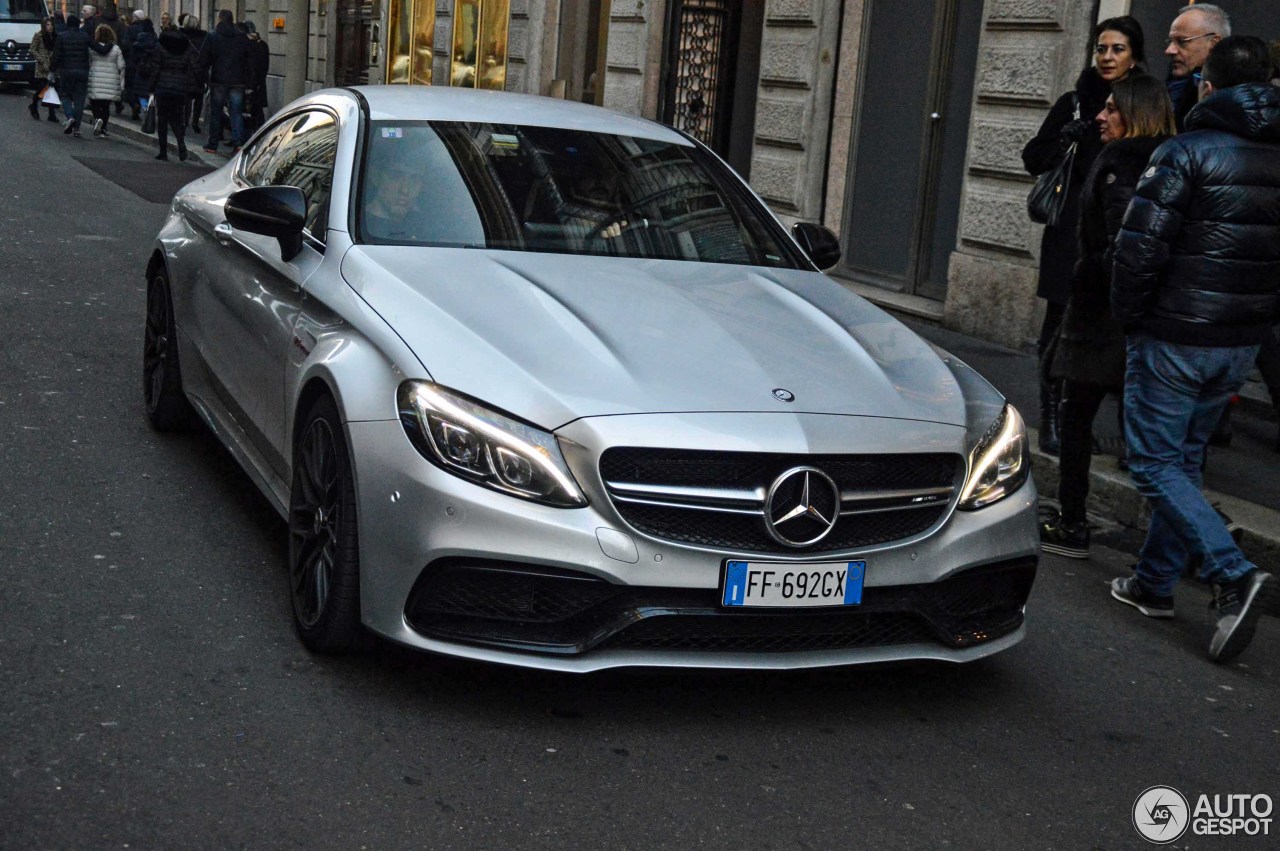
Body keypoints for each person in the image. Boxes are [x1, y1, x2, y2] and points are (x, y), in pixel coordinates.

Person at [1109, 36, 1280, 662]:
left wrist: (1131, 319)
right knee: (1183, 460)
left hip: (1176, 333)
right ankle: (1153, 585)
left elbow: (1140, 248)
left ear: (1210, 86)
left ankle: (1232, 573)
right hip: (1238, 340)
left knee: (1155, 463)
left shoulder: (1187, 151)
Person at [1039, 73, 1176, 560]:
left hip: (1103, 317)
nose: (1101, 115)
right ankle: (1180, 544)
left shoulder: (1119, 163)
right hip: (1146, 316)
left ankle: (1073, 523)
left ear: (1137, 113)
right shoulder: (1171, 160)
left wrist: (1087, 274)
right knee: (1157, 438)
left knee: (1078, 416)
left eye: (1113, 109)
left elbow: (1125, 245)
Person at [1022, 15, 1145, 457]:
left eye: (1118, 49)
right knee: (1059, 327)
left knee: (1118, 330)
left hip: (1121, 231)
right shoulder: (1074, 103)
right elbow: (1033, 159)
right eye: (1101, 48)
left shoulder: (1145, 103)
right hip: (1070, 231)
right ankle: (1052, 418)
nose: (1107, 57)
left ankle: (1121, 431)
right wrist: (1064, 139)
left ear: (1135, 56)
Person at [1163, 4, 1229, 130]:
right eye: (1170, 41)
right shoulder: (1172, 87)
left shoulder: (1226, 106)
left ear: (1213, 43)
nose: (1169, 50)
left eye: (1182, 41)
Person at [141, 22, 199, 160]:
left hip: (163, 86)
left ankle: (163, 152)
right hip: (180, 86)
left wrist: (151, 87)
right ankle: (181, 144)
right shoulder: (187, 46)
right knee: (177, 118)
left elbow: (156, 68)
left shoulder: (161, 46)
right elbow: (194, 66)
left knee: (163, 119)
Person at [198, 9, 251, 155]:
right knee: (236, 112)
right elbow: (248, 59)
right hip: (238, 80)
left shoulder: (213, 36)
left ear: (220, 19)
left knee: (216, 112)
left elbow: (204, 59)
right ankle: (238, 143)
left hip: (219, 79)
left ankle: (213, 144)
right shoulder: (242, 36)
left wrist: (203, 75)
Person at [50, 14, 92, 137]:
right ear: (78, 24)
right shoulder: (85, 36)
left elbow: (56, 56)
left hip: (67, 71)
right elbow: (95, 47)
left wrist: (52, 72)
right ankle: (77, 128)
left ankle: (70, 116)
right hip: (83, 72)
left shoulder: (62, 37)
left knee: (65, 95)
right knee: (79, 100)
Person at [86, 23, 124, 137]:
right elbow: (121, 65)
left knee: (95, 103)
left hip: (95, 77)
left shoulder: (93, 48)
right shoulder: (116, 48)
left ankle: (98, 119)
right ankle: (103, 128)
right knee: (106, 106)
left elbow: (89, 62)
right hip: (111, 79)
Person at [122, 9, 156, 120]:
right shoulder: (152, 33)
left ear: (135, 18)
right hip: (148, 65)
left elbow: (125, 45)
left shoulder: (130, 29)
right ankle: (143, 107)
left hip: (132, 62)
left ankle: (135, 105)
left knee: (130, 87)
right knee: (145, 88)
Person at [179, 14, 207, 134]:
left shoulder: (181, 37)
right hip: (200, 71)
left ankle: (185, 121)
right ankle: (195, 122)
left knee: (186, 99)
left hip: (185, 71)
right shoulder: (204, 38)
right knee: (199, 98)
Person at [241, 19, 269, 136]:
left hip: (254, 82)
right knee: (256, 110)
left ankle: (257, 135)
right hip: (259, 82)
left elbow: (255, 65)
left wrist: (252, 83)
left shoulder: (253, 45)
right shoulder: (262, 44)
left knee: (253, 110)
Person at [28, 16, 59, 122]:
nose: (50, 27)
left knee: (52, 89)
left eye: (51, 25)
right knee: (43, 88)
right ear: (44, 26)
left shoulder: (55, 36)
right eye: (47, 25)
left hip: (53, 66)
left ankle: (51, 114)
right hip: (42, 67)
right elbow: (32, 49)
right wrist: (41, 59)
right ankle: (34, 105)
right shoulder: (39, 36)